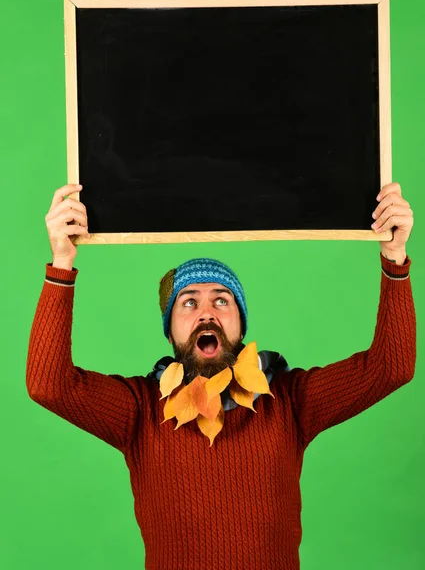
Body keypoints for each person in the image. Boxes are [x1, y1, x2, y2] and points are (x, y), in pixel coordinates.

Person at [26, 182, 416, 570]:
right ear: (170, 330)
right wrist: (61, 263)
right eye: (189, 301)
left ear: (240, 324)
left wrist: (394, 257)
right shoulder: (139, 409)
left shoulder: (289, 399)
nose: (206, 312)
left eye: (221, 300)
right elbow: (49, 385)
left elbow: (390, 367)